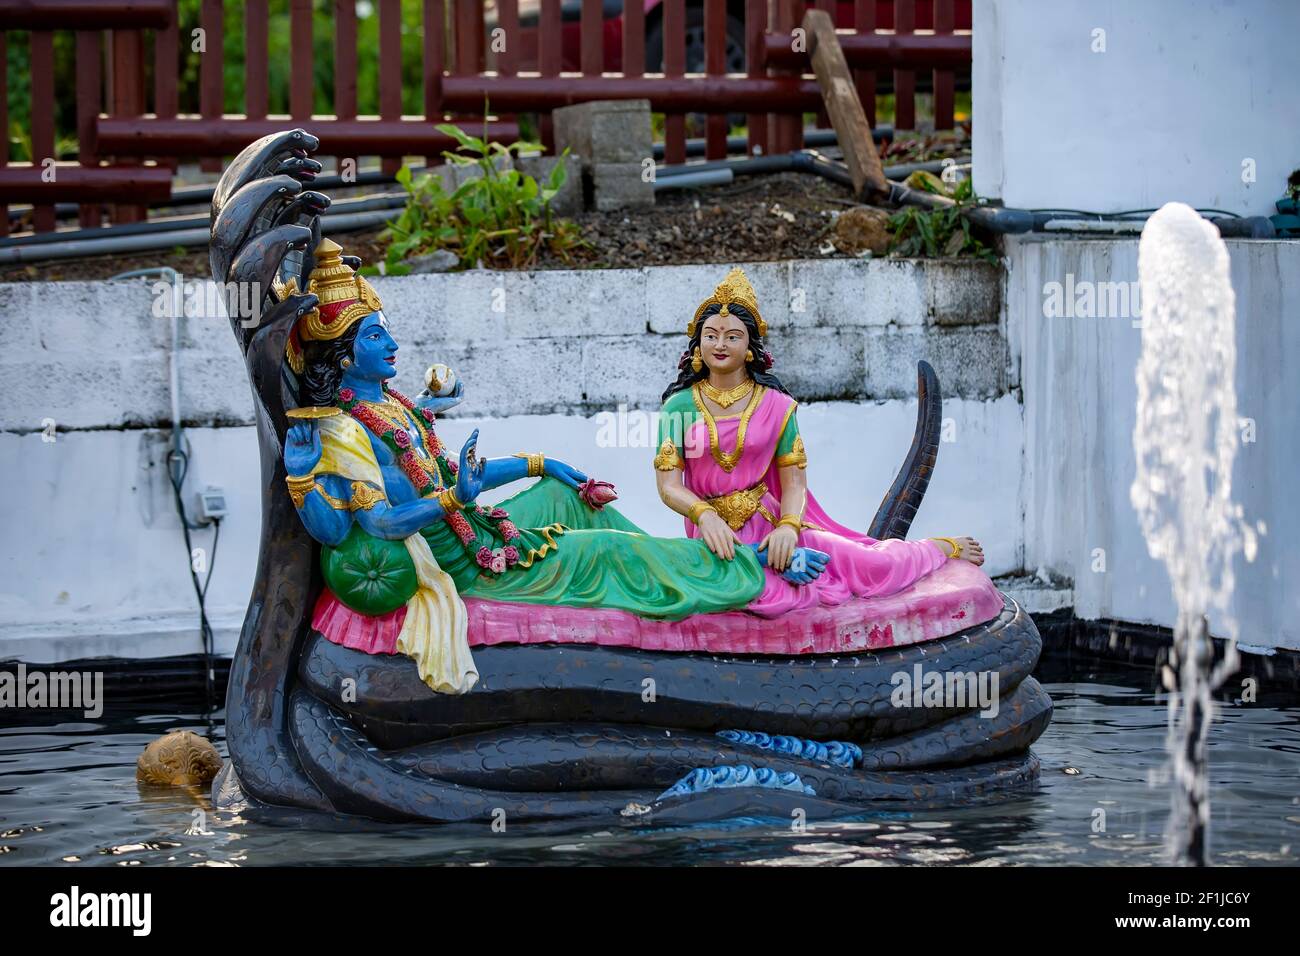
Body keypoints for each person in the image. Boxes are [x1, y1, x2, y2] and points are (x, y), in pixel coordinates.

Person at [653, 267, 985, 618]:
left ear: (750, 348)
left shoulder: (776, 406)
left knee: (869, 566)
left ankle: (937, 548)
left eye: (732, 337)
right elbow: (668, 486)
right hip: (712, 535)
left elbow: (793, 484)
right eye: (711, 335)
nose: (720, 345)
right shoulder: (679, 406)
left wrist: (787, 527)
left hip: (772, 524)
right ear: (698, 342)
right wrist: (704, 515)